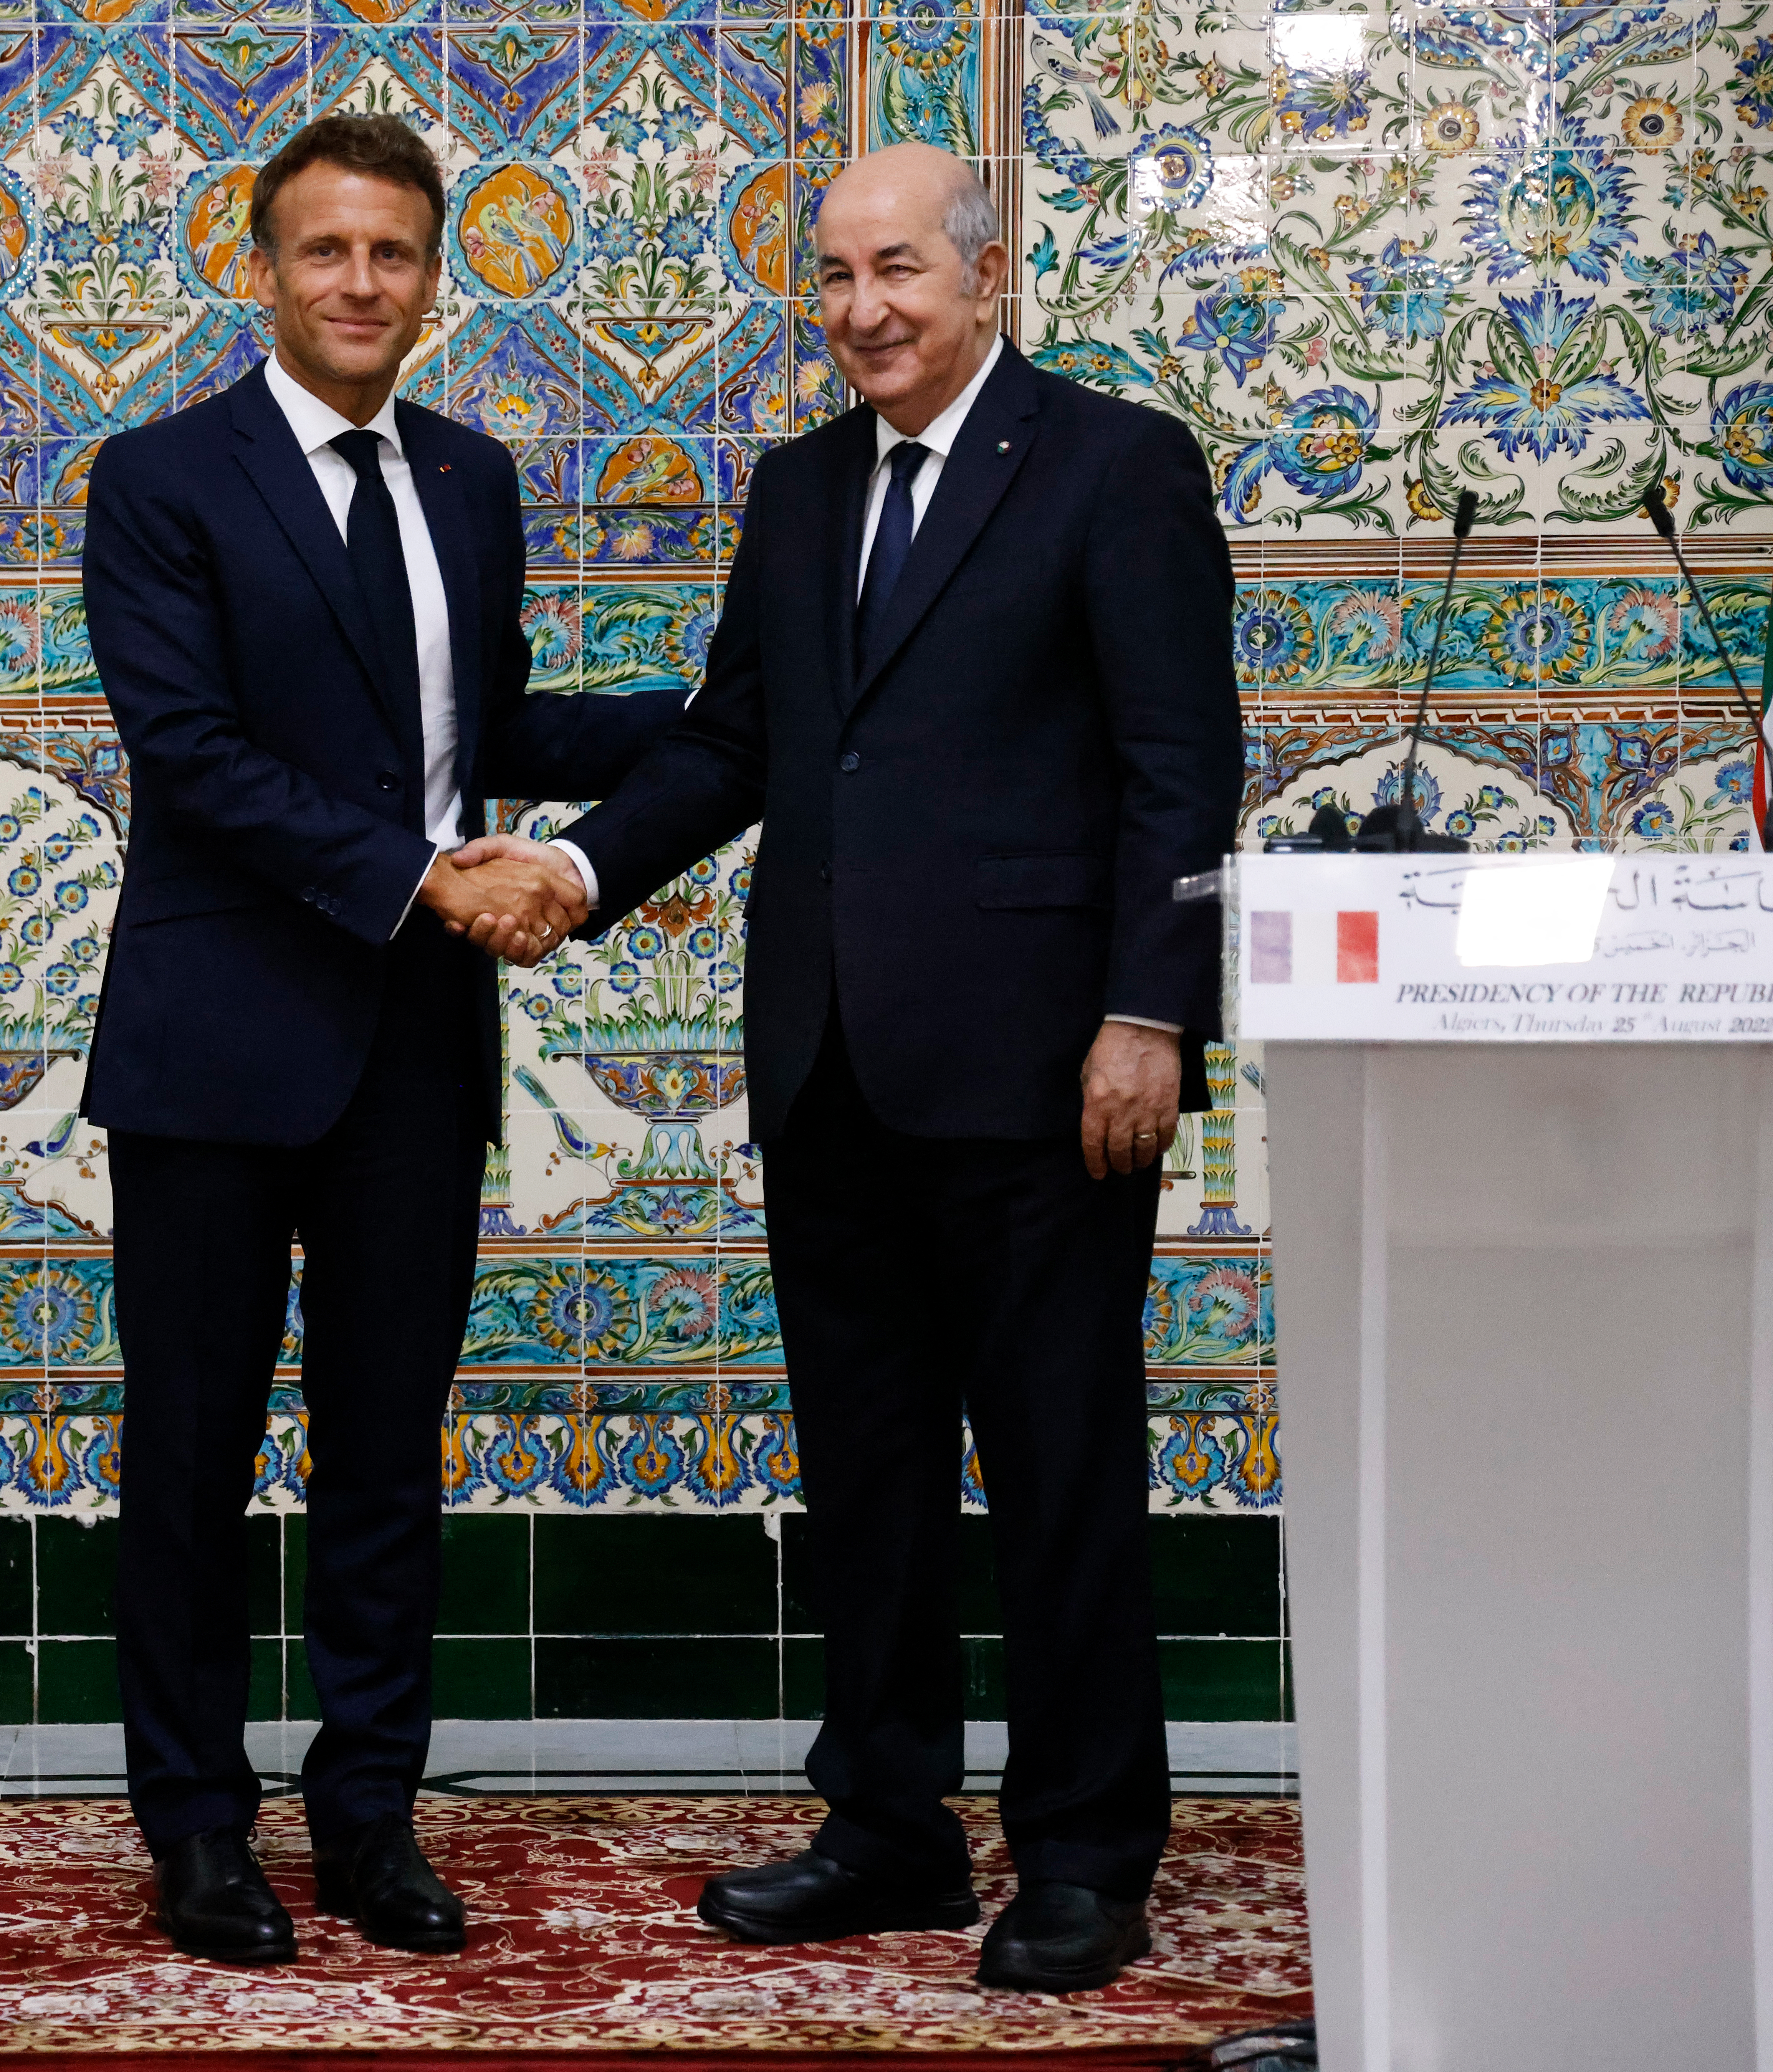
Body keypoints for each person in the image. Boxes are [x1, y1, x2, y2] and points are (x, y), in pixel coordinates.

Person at [458, 141, 1240, 1993]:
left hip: (1050, 1076)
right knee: (870, 1477)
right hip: (825, 1069)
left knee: (1060, 1473)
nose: (864, 310)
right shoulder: (798, 490)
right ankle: (888, 1828)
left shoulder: (1112, 466)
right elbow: (742, 742)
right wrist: (571, 871)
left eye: (897, 270)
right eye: (833, 278)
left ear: (986, 276)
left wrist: (1150, 1015)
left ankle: (1079, 1853)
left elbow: (1178, 767)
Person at [80, 112, 676, 1968]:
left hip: (413, 1049)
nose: (358, 284)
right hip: (215, 1040)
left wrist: (730, 716)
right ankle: (195, 1827)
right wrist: (431, 883)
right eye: (323, 251)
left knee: (383, 1455)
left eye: (393, 255)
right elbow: (194, 757)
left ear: (435, 277)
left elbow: (480, 724)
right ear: (258, 268)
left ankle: (367, 1819)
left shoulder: (473, 480)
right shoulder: (160, 478)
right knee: (189, 1452)